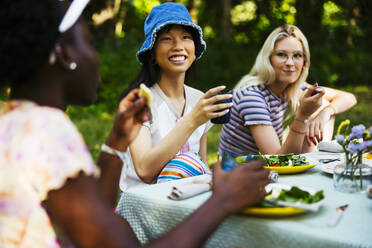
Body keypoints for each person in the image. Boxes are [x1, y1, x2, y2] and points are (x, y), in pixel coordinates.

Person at [0, 0, 270, 247]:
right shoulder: (42, 131)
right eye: (89, 42)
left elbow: (98, 215)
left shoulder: (19, 122)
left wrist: (116, 142)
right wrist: (223, 201)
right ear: (65, 56)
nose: (95, 58)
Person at [118, 2, 233, 191]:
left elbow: (201, 167)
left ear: (195, 49)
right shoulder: (140, 100)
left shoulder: (198, 99)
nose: (178, 46)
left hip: (183, 200)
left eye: (186, 37)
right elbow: (144, 170)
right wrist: (192, 120)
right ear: (152, 53)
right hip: (143, 205)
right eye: (167, 39)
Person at [219, 24, 357, 156]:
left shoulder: (291, 88)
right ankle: (316, 163)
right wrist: (302, 116)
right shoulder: (252, 96)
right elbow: (278, 160)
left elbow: (349, 98)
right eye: (281, 54)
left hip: (264, 168)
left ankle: (317, 160)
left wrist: (325, 113)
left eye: (297, 55)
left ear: (304, 62)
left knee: (324, 104)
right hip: (238, 174)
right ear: (268, 59)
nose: (290, 63)